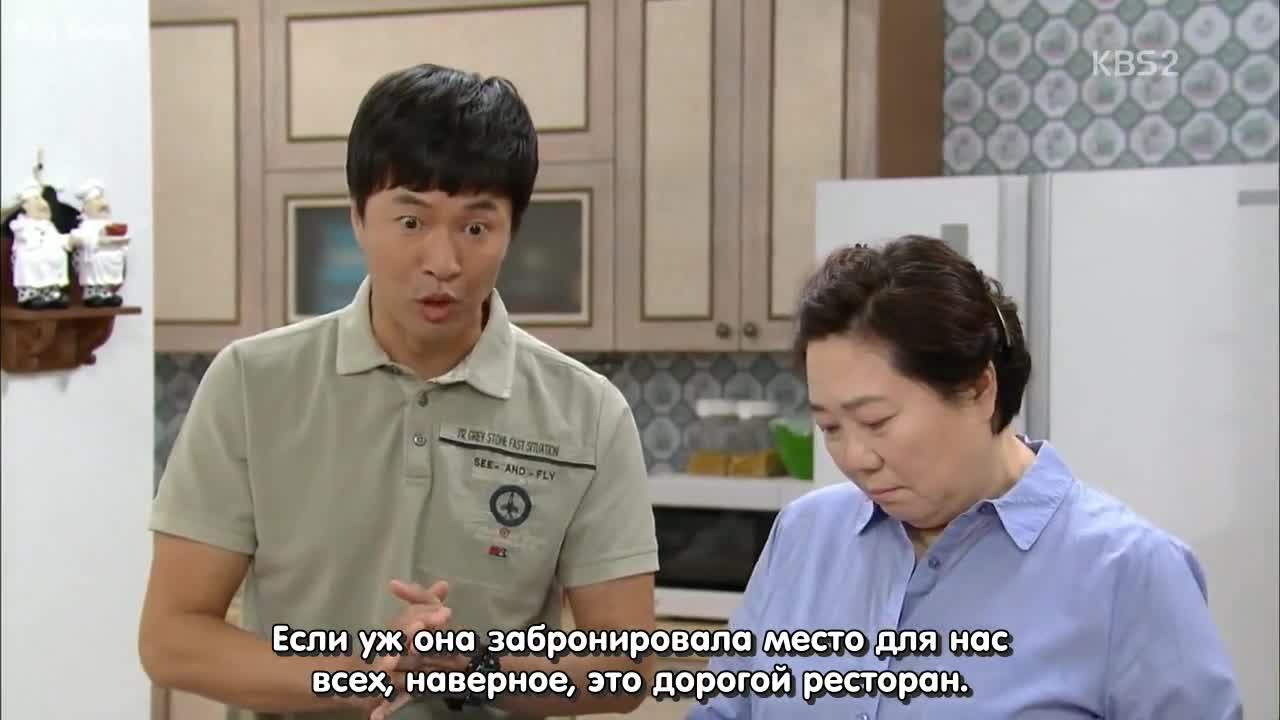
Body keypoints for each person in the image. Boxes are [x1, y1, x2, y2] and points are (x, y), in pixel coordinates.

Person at [139, 63, 659, 719]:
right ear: (358, 217)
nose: (443, 262)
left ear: (513, 230)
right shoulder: (250, 383)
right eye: (411, 222)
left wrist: (475, 668)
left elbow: (625, 668)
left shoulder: (589, 413)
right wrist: (362, 675)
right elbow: (173, 639)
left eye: (476, 227)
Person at [689, 236, 1243, 719]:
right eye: (830, 427)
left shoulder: (1130, 572)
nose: (854, 457)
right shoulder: (804, 536)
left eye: (876, 421)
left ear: (979, 389)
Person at [9, 180, 71, 309]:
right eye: (37, 199)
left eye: (43, 199)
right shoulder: (21, 224)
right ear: (25, 205)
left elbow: (57, 238)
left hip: (50, 262)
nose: (43, 203)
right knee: (32, 261)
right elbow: (28, 238)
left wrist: (70, 240)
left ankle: (51, 294)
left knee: (55, 259)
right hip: (31, 260)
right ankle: (30, 296)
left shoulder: (49, 226)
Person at [69, 179, 129, 307]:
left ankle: (106, 292)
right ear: (85, 207)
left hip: (110, 257)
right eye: (97, 200)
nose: (103, 203)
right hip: (93, 258)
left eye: (102, 199)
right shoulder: (86, 226)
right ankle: (92, 294)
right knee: (95, 265)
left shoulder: (110, 224)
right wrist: (96, 239)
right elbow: (78, 239)